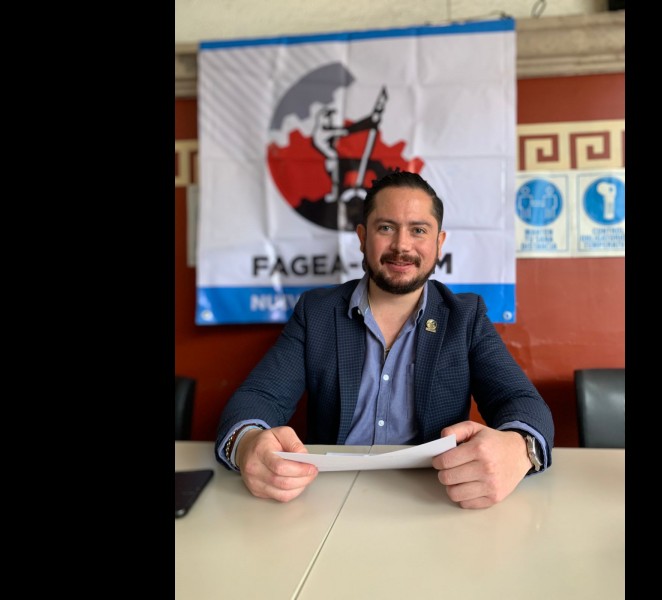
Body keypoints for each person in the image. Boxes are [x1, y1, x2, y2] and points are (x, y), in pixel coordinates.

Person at [215, 170, 555, 509]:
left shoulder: (465, 317)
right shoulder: (316, 312)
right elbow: (259, 397)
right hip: (328, 497)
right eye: (386, 228)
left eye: (418, 230)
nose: (401, 246)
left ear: (439, 243)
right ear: (363, 237)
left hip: (433, 496)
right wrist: (246, 445)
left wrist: (519, 448)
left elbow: (520, 401)